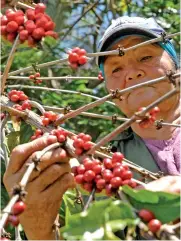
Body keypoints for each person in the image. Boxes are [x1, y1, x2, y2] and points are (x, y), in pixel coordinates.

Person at [3, 16, 180, 240]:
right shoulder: (97, 166)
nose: (132, 73)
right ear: (108, 88)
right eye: (116, 69)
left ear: (175, 64)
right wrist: (39, 228)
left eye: (146, 57)